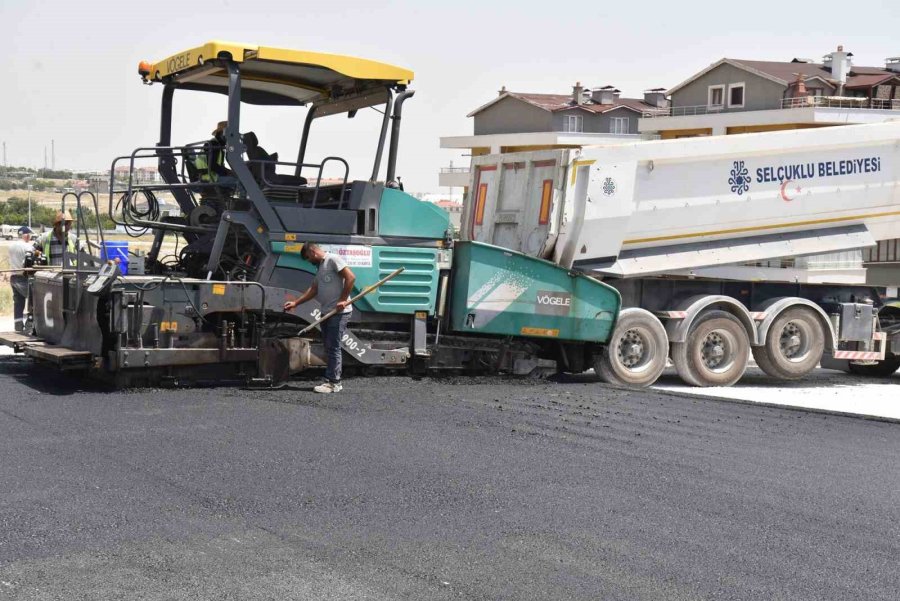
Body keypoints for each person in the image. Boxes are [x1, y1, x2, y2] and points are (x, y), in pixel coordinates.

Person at [283, 242, 356, 393]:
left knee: (333, 346)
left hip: (339, 313)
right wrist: (296, 303)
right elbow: (314, 289)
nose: (309, 261)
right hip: (326, 312)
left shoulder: (333, 260)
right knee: (329, 346)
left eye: (309, 258)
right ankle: (332, 380)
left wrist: (343, 299)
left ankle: (334, 383)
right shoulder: (321, 267)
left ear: (313, 252)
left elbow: (351, 278)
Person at [7, 226, 34, 332]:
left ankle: (18, 325)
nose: (30, 237)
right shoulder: (28, 247)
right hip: (23, 277)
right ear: (26, 235)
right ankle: (29, 324)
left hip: (13, 277)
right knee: (33, 300)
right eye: (29, 235)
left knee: (18, 302)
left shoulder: (11, 246)